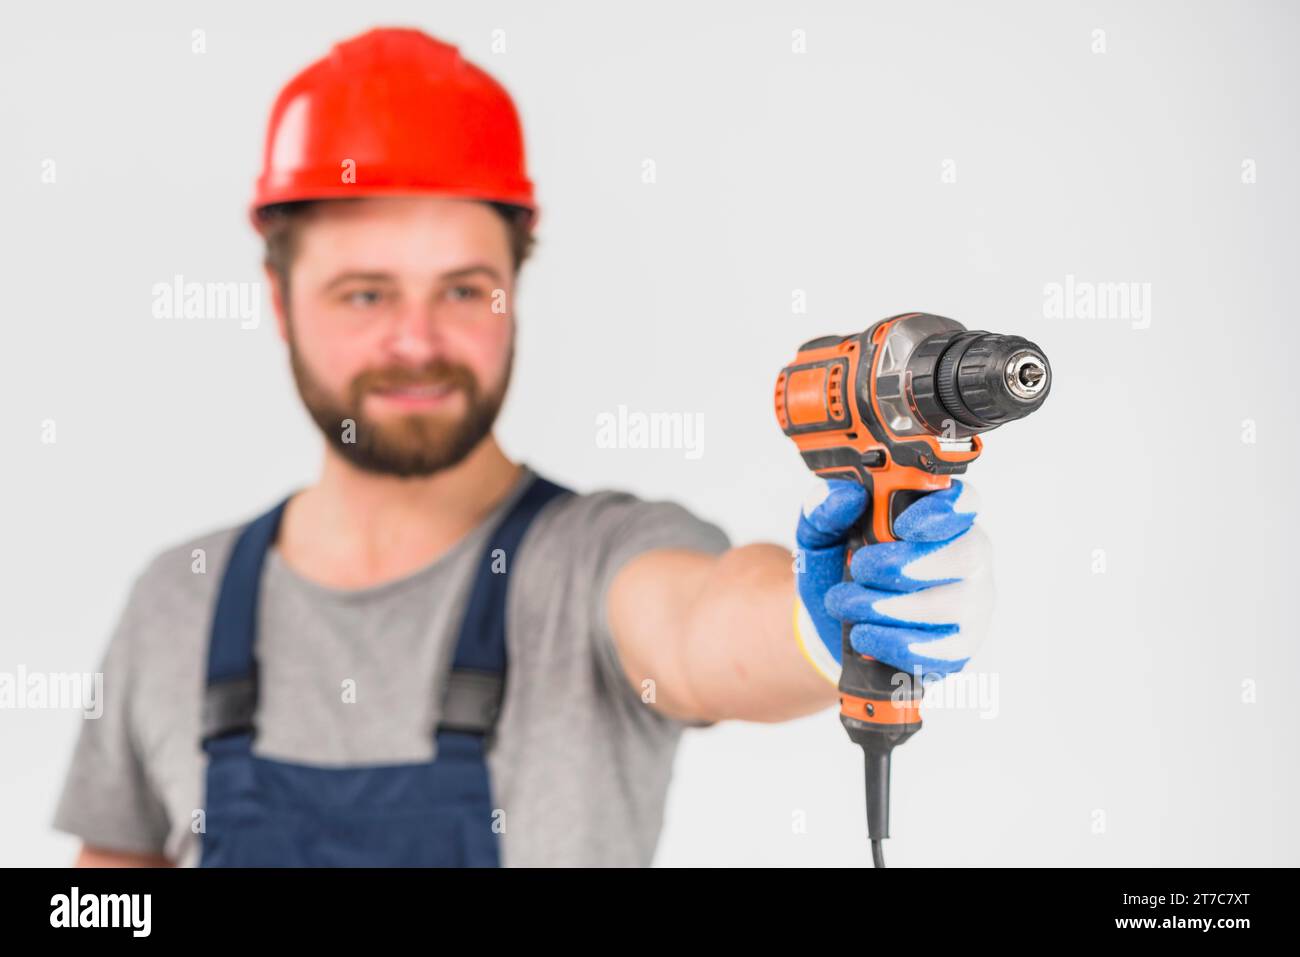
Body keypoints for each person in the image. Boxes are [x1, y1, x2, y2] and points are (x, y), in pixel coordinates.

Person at [52, 27, 992, 867]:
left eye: (463, 289)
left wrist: (812, 624)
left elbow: (704, 625)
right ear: (279, 302)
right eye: (365, 294)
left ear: (514, 287)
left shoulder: (588, 564)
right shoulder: (179, 601)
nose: (416, 342)